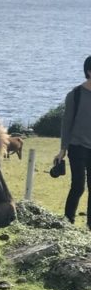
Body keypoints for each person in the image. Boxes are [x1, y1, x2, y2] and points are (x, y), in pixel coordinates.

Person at [56, 55, 91, 226]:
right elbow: (66, 123)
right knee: (78, 186)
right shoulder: (75, 95)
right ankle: (68, 221)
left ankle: (90, 226)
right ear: (89, 72)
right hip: (77, 147)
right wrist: (63, 149)